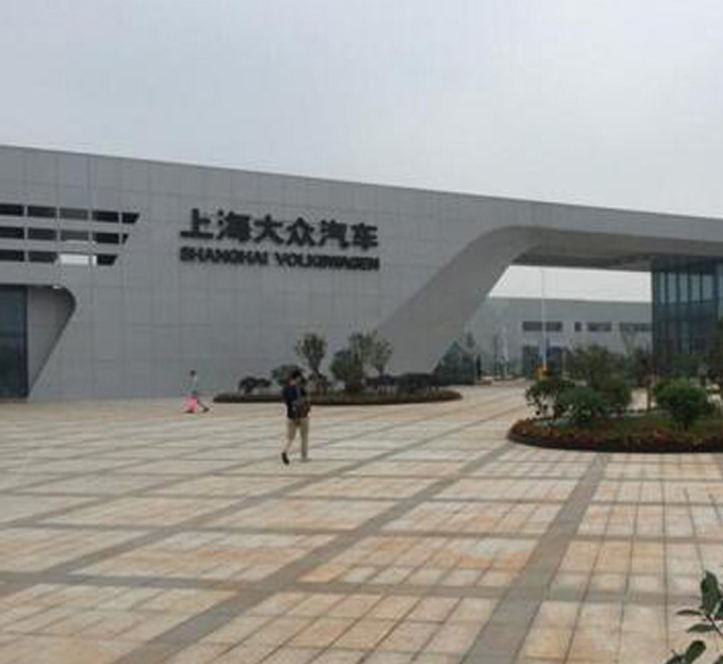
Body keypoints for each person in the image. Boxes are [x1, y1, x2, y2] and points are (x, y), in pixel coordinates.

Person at [281, 369, 311, 464]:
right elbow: (307, 399)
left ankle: (285, 451)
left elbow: (286, 402)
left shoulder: (285, 389)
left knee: (290, 438)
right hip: (302, 415)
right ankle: (304, 457)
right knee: (304, 437)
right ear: (297, 377)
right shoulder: (300, 388)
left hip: (290, 416)